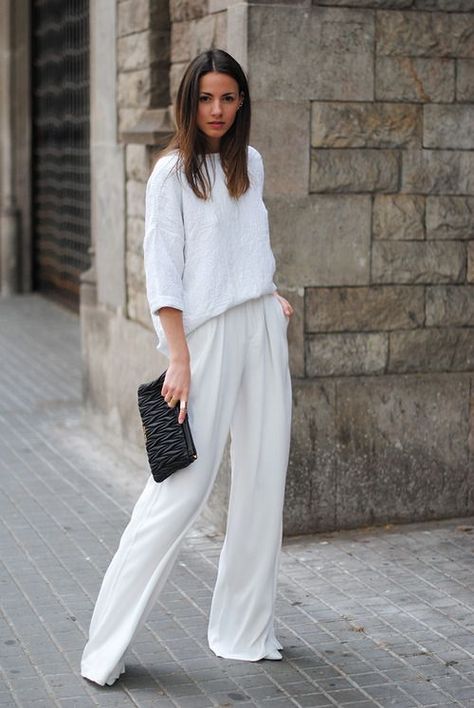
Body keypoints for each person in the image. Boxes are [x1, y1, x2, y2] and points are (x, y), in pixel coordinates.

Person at [80, 48, 294, 687]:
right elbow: (163, 273)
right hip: (200, 344)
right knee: (179, 490)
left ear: (241, 102)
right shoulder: (171, 173)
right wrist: (177, 356)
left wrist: (267, 291)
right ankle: (104, 646)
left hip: (260, 327)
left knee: (263, 482)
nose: (218, 110)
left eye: (228, 98)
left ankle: (244, 631)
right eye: (206, 98)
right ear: (188, 102)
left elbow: (244, 244)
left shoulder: (249, 164)